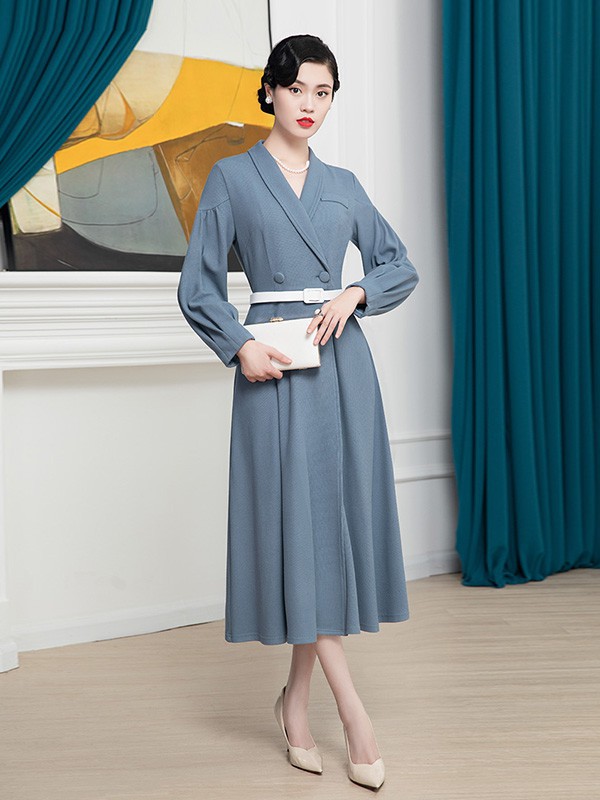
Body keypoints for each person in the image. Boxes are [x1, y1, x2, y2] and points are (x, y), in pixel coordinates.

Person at [177, 34, 419, 790]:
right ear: (270, 92)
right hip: (274, 367)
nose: (309, 104)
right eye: (297, 89)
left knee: (327, 532)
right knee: (297, 531)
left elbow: (398, 264)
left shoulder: (344, 184)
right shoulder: (231, 177)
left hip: (343, 367)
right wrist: (238, 345)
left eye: (323, 92)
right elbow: (197, 286)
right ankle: (355, 717)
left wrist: (358, 291)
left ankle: (294, 704)